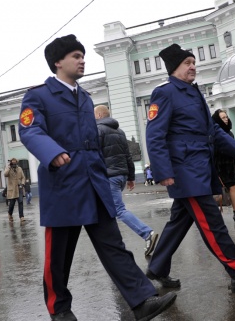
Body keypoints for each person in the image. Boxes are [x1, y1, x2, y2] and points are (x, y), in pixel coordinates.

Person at [19, 34, 176, 321]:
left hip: (94, 182)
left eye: (82, 55)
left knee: (113, 245)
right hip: (63, 183)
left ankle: (142, 301)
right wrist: (52, 152)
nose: (82, 60)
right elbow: (30, 131)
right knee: (58, 256)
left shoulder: (85, 96)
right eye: (76, 56)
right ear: (58, 62)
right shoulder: (38, 95)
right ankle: (60, 309)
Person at [145, 43, 235, 293]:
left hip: (198, 167)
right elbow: (155, 134)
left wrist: (234, 147)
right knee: (211, 223)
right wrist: (163, 172)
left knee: (179, 221)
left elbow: (211, 129)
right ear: (174, 68)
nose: (193, 66)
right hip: (184, 171)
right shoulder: (165, 93)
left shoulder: (193, 93)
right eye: (187, 63)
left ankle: (157, 267)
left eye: (194, 62)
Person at [94, 104, 159, 256]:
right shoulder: (120, 131)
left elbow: (95, 155)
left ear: (98, 116)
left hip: (109, 177)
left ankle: (147, 233)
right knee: (106, 211)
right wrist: (130, 177)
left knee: (118, 210)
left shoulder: (98, 130)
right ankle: (114, 248)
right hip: (121, 176)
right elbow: (128, 156)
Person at [4, 158, 26, 222]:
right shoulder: (8, 168)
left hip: (19, 188)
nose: (14, 164)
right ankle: (10, 214)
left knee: (20, 202)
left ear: (16, 162)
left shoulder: (19, 169)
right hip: (12, 189)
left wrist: (22, 184)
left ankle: (21, 216)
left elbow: (23, 177)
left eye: (15, 162)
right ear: (11, 163)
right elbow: (5, 174)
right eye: (12, 163)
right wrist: (8, 167)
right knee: (12, 204)